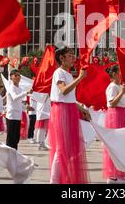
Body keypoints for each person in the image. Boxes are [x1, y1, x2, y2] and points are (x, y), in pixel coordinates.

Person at [48, 47, 91, 184]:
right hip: (61, 111)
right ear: (61, 58)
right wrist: (79, 78)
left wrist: (82, 109)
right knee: (61, 148)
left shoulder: (67, 74)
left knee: (69, 148)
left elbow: (70, 98)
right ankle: (54, 181)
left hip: (70, 109)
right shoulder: (59, 73)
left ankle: (62, 177)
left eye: (73, 55)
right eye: (70, 55)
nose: (73, 58)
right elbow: (64, 91)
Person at [103, 65, 125, 184]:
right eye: (120, 72)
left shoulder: (118, 86)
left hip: (121, 114)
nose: (122, 75)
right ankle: (113, 175)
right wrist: (122, 92)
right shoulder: (112, 87)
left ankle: (119, 174)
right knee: (115, 146)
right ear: (114, 74)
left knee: (122, 146)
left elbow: (120, 103)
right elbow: (112, 103)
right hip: (115, 116)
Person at [5, 69, 33, 150]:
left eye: (19, 75)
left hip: (18, 116)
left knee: (16, 138)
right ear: (11, 77)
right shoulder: (11, 87)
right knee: (11, 138)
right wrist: (26, 93)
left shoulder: (19, 88)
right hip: (11, 116)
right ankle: (9, 155)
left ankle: (14, 154)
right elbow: (15, 98)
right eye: (15, 75)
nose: (18, 77)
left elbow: (18, 103)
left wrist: (26, 107)